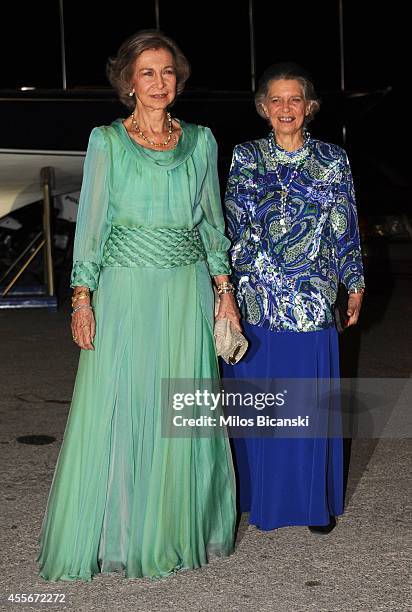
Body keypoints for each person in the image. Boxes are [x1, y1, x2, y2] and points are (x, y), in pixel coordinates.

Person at [36, 29, 240, 582]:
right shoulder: (106, 140)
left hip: (187, 289)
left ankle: (176, 527)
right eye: (146, 72)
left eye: (167, 72)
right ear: (128, 82)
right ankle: (121, 531)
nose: (158, 82)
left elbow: (213, 227)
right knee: (123, 403)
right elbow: (92, 227)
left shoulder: (201, 141)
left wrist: (226, 296)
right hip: (124, 289)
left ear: (179, 80)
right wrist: (82, 298)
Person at [222, 62, 365, 533]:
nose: (286, 108)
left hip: (312, 298)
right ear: (264, 109)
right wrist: (229, 292)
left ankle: (310, 504)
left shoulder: (332, 159)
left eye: (295, 99)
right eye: (276, 100)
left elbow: (345, 227)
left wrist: (355, 282)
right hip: (256, 299)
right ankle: (255, 494)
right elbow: (233, 227)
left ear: (309, 107)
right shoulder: (246, 156)